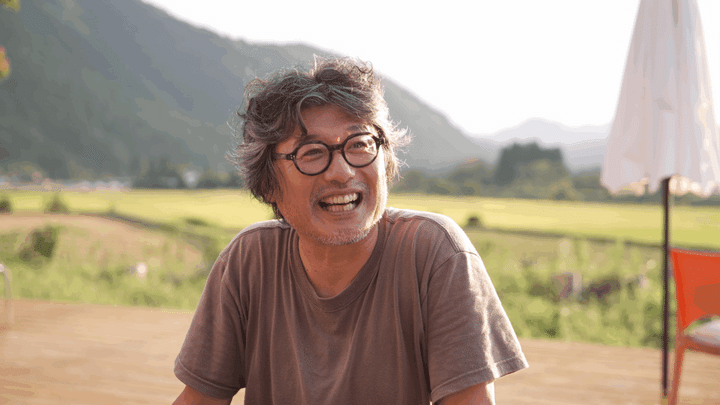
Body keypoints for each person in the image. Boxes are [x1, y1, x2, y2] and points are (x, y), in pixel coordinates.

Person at [173, 57, 528, 405]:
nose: (342, 172)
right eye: (312, 152)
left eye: (359, 144)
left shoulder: (433, 252)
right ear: (268, 185)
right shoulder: (250, 260)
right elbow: (198, 399)